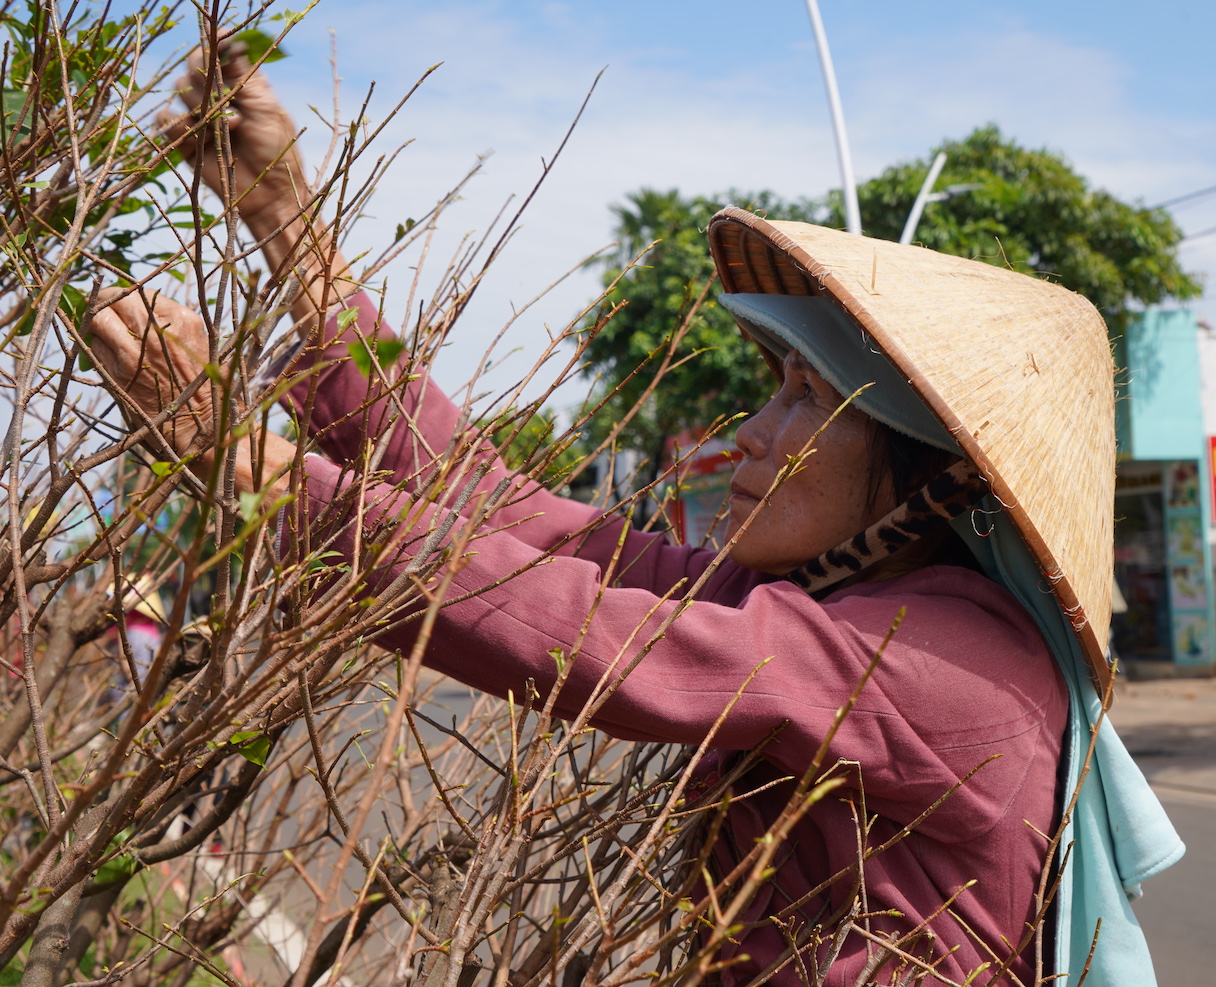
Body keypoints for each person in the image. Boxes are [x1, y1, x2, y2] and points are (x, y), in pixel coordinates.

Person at [89, 47, 1183, 987]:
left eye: (805, 396)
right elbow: (501, 513)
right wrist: (288, 224)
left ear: (927, 472)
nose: (748, 433)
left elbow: (599, 638)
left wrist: (242, 461)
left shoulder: (932, 654)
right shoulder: (834, 603)